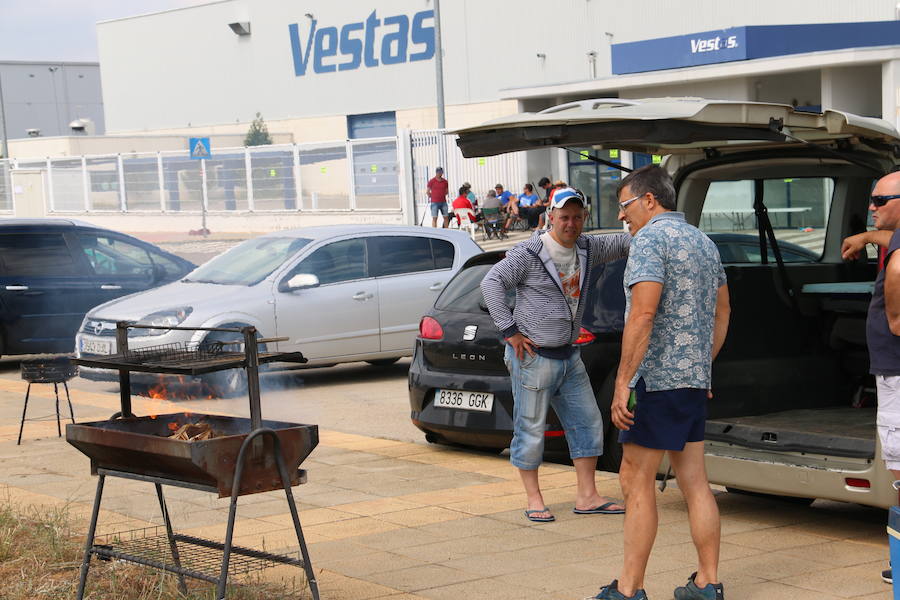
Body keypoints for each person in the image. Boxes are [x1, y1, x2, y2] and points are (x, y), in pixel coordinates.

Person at [596, 165, 730, 600]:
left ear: (649, 200)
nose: (622, 217)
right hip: (690, 380)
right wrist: (700, 364)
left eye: (625, 205)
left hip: (654, 381)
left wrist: (623, 382)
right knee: (695, 480)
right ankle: (707, 584)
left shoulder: (650, 239)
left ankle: (629, 589)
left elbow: (643, 313)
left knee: (635, 480)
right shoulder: (704, 241)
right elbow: (723, 311)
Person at [480, 187, 630, 524]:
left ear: (584, 218)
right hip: (533, 357)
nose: (571, 223)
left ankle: (588, 496)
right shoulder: (529, 253)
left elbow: (626, 243)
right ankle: (534, 500)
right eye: (564, 217)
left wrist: (652, 224)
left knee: (589, 423)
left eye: (577, 217)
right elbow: (490, 284)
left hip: (569, 355)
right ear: (551, 217)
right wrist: (510, 330)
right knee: (530, 429)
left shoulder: (589, 247)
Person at [841, 170, 900, 585]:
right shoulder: (893, 241)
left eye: (880, 201)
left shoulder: (898, 262)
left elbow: (897, 323)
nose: (872, 207)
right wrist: (865, 237)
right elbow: (886, 238)